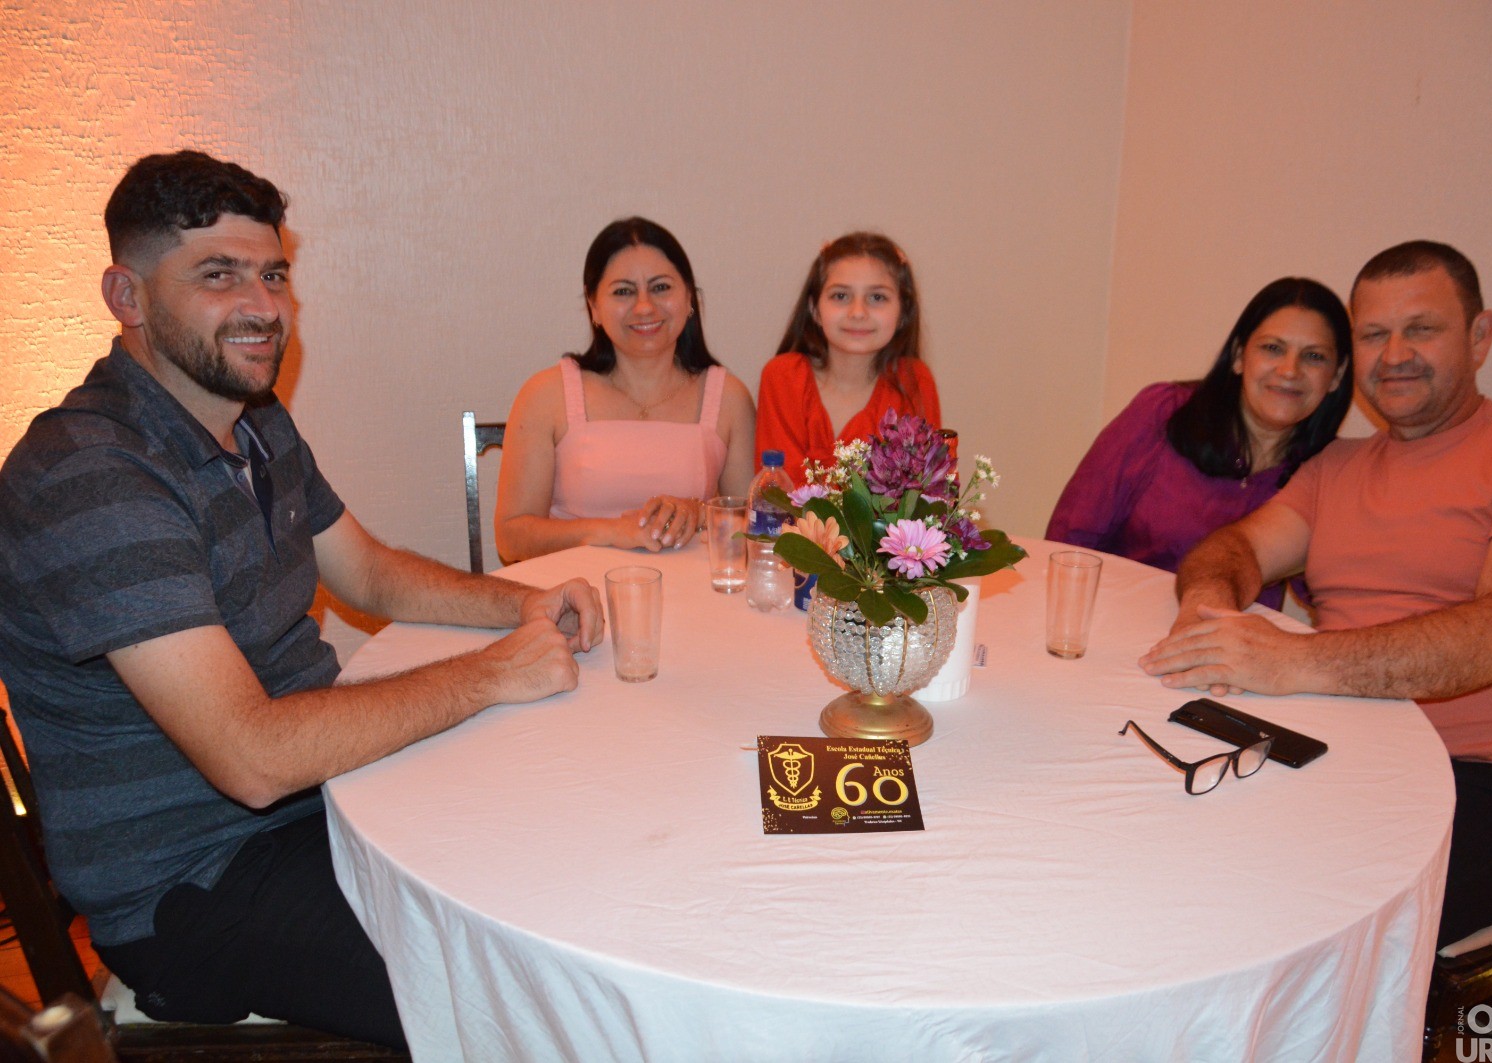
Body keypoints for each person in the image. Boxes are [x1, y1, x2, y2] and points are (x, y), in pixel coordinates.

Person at [0, 151, 605, 1049]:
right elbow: (251, 758)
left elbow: (368, 571)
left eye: (273, 274)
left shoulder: (253, 419)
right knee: (538, 991)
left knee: (571, 840)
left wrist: (522, 601)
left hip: (324, 803)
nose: (263, 307)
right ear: (126, 295)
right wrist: (487, 676)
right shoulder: (93, 474)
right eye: (218, 275)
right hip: (198, 885)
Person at [1141, 241, 1492, 946]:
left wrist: (1294, 662)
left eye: (1422, 329)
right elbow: (1235, 548)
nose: (1395, 355)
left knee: (1302, 930)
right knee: (1151, 841)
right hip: (1336, 746)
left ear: (1480, 336)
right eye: (1374, 334)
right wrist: (1210, 617)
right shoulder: (1337, 465)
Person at [1045, 277, 1353, 610]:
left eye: (1314, 357)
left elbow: (1332, 593)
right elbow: (1069, 540)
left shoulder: (1328, 470)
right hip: (1111, 632)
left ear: (1336, 375)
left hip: (1230, 652)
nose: (1290, 370)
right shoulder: (1162, 414)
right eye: (1272, 348)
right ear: (1239, 356)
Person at [495, 217, 756, 561]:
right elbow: (511, 538)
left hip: (694, 599)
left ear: (689, 298)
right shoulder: (546, 394)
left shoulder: (729, 397)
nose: (645, 306)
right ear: (594, 306)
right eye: (623, 291)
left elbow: (753, 532)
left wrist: (698, 513)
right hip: (572, 597)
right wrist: (611, 531)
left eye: (661, 287)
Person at [756, 232, 941, 485]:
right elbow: (776, 495)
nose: (857, 312)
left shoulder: (914, 381)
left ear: (903, 312)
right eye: (841, 296)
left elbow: (929, 495)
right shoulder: (783, 377)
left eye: (877, 297)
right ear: (814, 309)